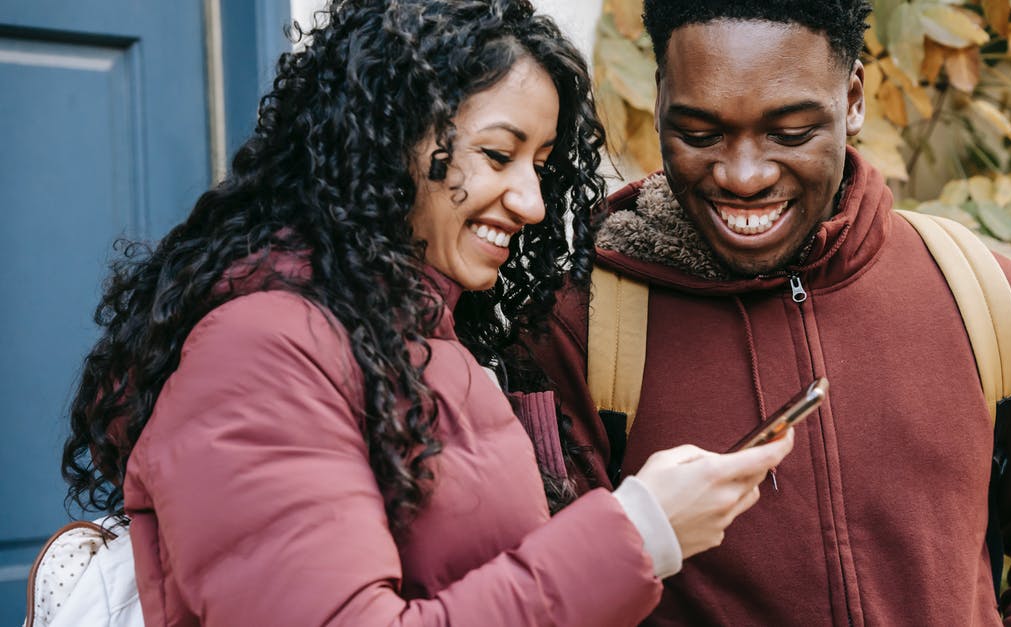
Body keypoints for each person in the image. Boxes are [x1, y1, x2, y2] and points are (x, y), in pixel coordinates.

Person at [59, 1, 794, 624]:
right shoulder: (262, 348)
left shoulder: (431, 335)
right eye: (498, 155)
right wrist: (637, 533)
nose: (532, 203)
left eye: (539, 166)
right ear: (387, 140)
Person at [526, 0, 1011, 624]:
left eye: (791, 133)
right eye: (701, 134)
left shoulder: (981, 295)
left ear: (852, 99)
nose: (744, 176)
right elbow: (551, 595)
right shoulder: (582, 326)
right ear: (661, 99)